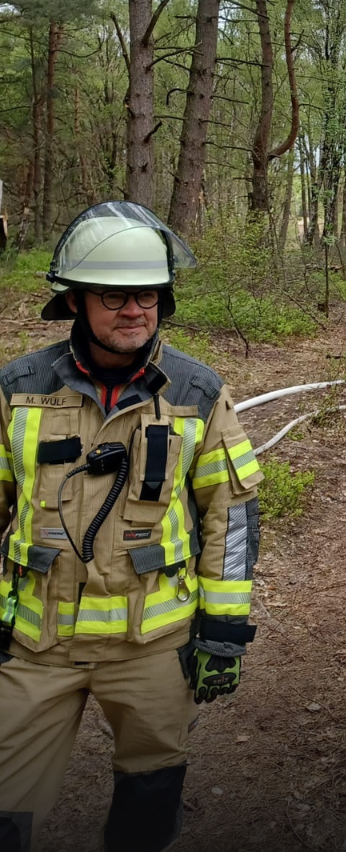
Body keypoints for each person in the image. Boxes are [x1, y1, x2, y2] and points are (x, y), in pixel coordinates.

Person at [0, 202, 262, 852]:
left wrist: (224, 632)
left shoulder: (196, 394)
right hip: (36, 646)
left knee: (148, 807)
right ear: (76, 304)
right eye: (114, 296)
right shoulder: (18, 390)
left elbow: (230, 517)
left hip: (154, 648)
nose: (133, 310)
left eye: (146, 294)